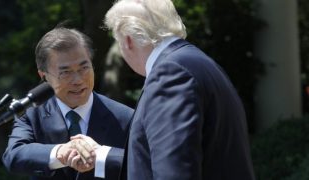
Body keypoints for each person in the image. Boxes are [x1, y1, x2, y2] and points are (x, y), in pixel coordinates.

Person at [72, 0, 256, 179]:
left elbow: (174, 170)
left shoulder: (170, 74)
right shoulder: (195, 62)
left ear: (127, 40)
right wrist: (102, 154)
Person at [2, 26, 134, 180]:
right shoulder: (31, 114)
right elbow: (14, 155)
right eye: (65, 72)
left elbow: (144, 163)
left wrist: (101, 157)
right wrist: (60, 153)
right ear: (44, 76)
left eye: (84, 68)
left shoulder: (125, 117)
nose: (78, 80)